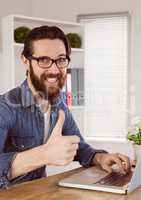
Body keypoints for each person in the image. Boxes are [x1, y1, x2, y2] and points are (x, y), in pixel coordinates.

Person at [0, 26, 131, 189]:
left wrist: (100, 158)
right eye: (44, 60)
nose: (55, 70)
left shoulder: (58, 103)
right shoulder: (5, 107)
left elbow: (80, 148)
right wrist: (43, 155)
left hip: (39, 193)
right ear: (26, 62)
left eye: (61, 59)